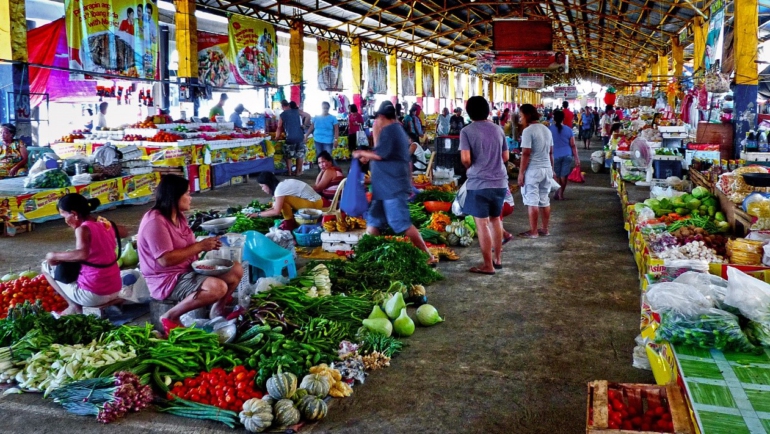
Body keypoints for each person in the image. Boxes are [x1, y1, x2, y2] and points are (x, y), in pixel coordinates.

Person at [137, 175, 243, 335]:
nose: (190, 198)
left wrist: (207, 245)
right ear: (174, 196)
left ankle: (218, 309)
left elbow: (187, 245)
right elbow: (166, 260)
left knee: (236, 270)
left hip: (187, 269)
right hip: (167, 278)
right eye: (187, 194)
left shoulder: (178, 217)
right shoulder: (155, 222)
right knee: (217, 288)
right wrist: (200, 246)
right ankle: (170, 316)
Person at [352, 101, 435, 264]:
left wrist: (361, 152)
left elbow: (381, 155)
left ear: (382, 116)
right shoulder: (394, 130)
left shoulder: (391, 130)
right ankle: (365, 254)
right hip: (384, 187)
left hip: (392, 187)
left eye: (377, 118)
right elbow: (382, 152)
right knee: (374, 221)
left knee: (401, 222)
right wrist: (369, 154)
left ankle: (428, 256)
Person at [42, 194, 126, 315]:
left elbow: (82, 254)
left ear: (74, 214)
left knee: (45, 266)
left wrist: (52, 255)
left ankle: (73, 306)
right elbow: (124, 231)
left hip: (94, 295)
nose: (65, 220)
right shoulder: (104, 223)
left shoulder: (82, 229)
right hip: (115, 288)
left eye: (64, 215)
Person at [459, 96, 509, 275]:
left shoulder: (466, 131)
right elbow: (505, 158)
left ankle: (488, 265)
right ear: (488, 110)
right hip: (500, 182)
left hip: (479, 183)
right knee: (496, 220)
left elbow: (465, 159)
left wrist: (470, 166)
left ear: (469, 112)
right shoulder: (498, 129)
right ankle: (498, 260)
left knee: (482, 224)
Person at [517, 104, 554, 238]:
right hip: (546, 169)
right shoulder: (546, 129)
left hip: (533, 170)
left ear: (526, 115)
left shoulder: (528, 131)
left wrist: (521, 173)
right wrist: (552, 170)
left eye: (521, 116)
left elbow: (526, 153)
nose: (520, 119)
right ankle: (545, 229)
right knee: (544, 199)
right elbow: (551, 152)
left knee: (532, 200)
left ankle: (533, 232)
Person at [249, 172, 324, 230]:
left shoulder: (279, 190)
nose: (262, 189)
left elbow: (276, 211)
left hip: (314, 206)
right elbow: (275, 207)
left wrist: (258, 214)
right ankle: (291, 223)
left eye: (262, 186)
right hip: (317, 202)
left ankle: (288, 225)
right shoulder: (282, 184)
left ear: (268, 183)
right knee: (280, 201)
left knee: (283, 200)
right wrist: (264, 212)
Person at [549, 110, 580, 201]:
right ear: (563, 118)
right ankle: (561, 194)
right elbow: (573, 145)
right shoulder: (568, 130)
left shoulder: (549, 129)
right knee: (564, 176)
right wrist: (577, 158)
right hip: (567, 155)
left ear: (554, 118)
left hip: (554, 156)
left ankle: (556, 192)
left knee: (556, 176)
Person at [276, 100, 306, 177]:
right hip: (300, 137)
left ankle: (289, 172)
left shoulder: (282, 114)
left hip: (290, 138)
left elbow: (279, 127)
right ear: (288, 105)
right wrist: (304, 125)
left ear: (282, 106)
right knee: (299, 154)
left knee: (288, 155)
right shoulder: (297, 111)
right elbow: (308, 115)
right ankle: (298, 172)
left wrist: (277, 137)